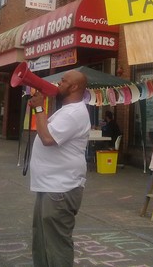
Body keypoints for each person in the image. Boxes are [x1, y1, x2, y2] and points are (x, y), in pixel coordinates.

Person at [28, 69, 91, 267]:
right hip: (51, 185)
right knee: (42, 239)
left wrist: (39, 108)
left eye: (63, 81)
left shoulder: (74, 113)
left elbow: (48, 138)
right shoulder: (67, 110)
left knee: (56, 243)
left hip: (61, 188)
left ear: (74, 87)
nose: (58, 84)